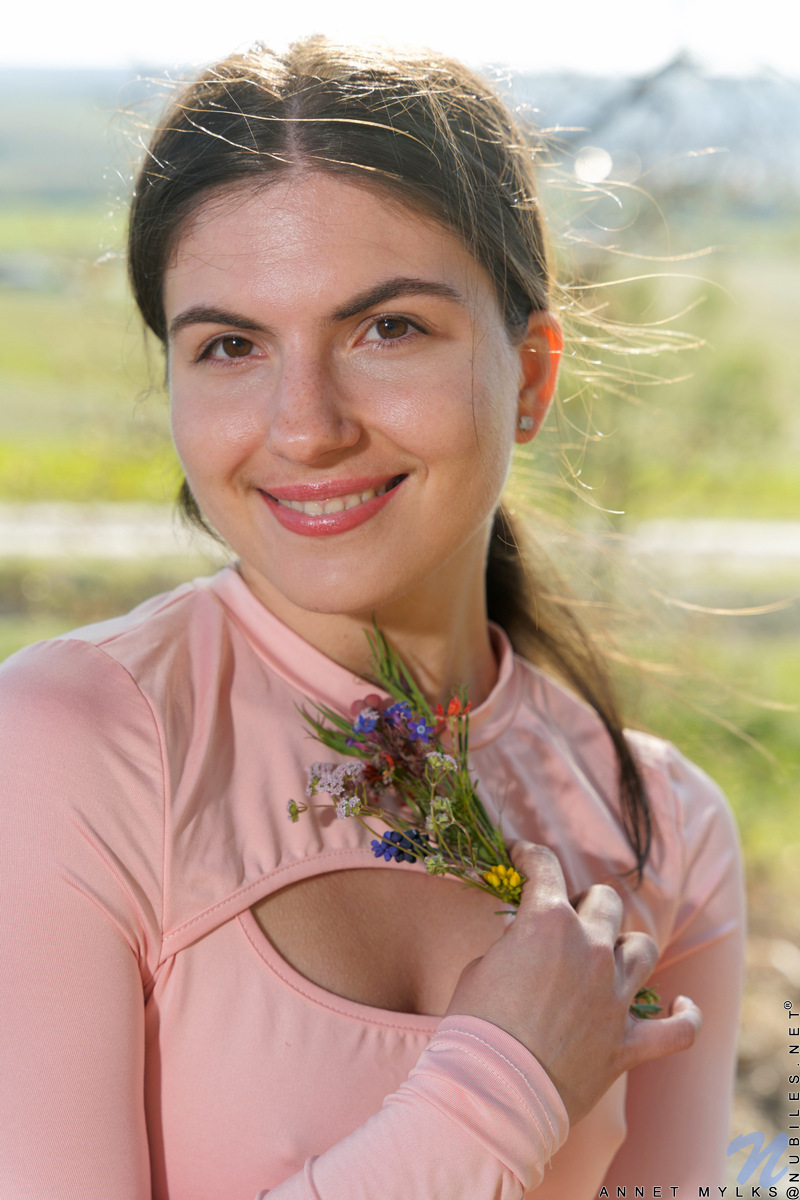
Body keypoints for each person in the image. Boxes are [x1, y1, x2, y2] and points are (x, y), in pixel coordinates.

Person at [0, 38, 744, 1200]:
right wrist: (500, 1090)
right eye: (230, 346)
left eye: (386, 328)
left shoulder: (664, 830)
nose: (305, 426)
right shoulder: (73, 749)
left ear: (530, 375)